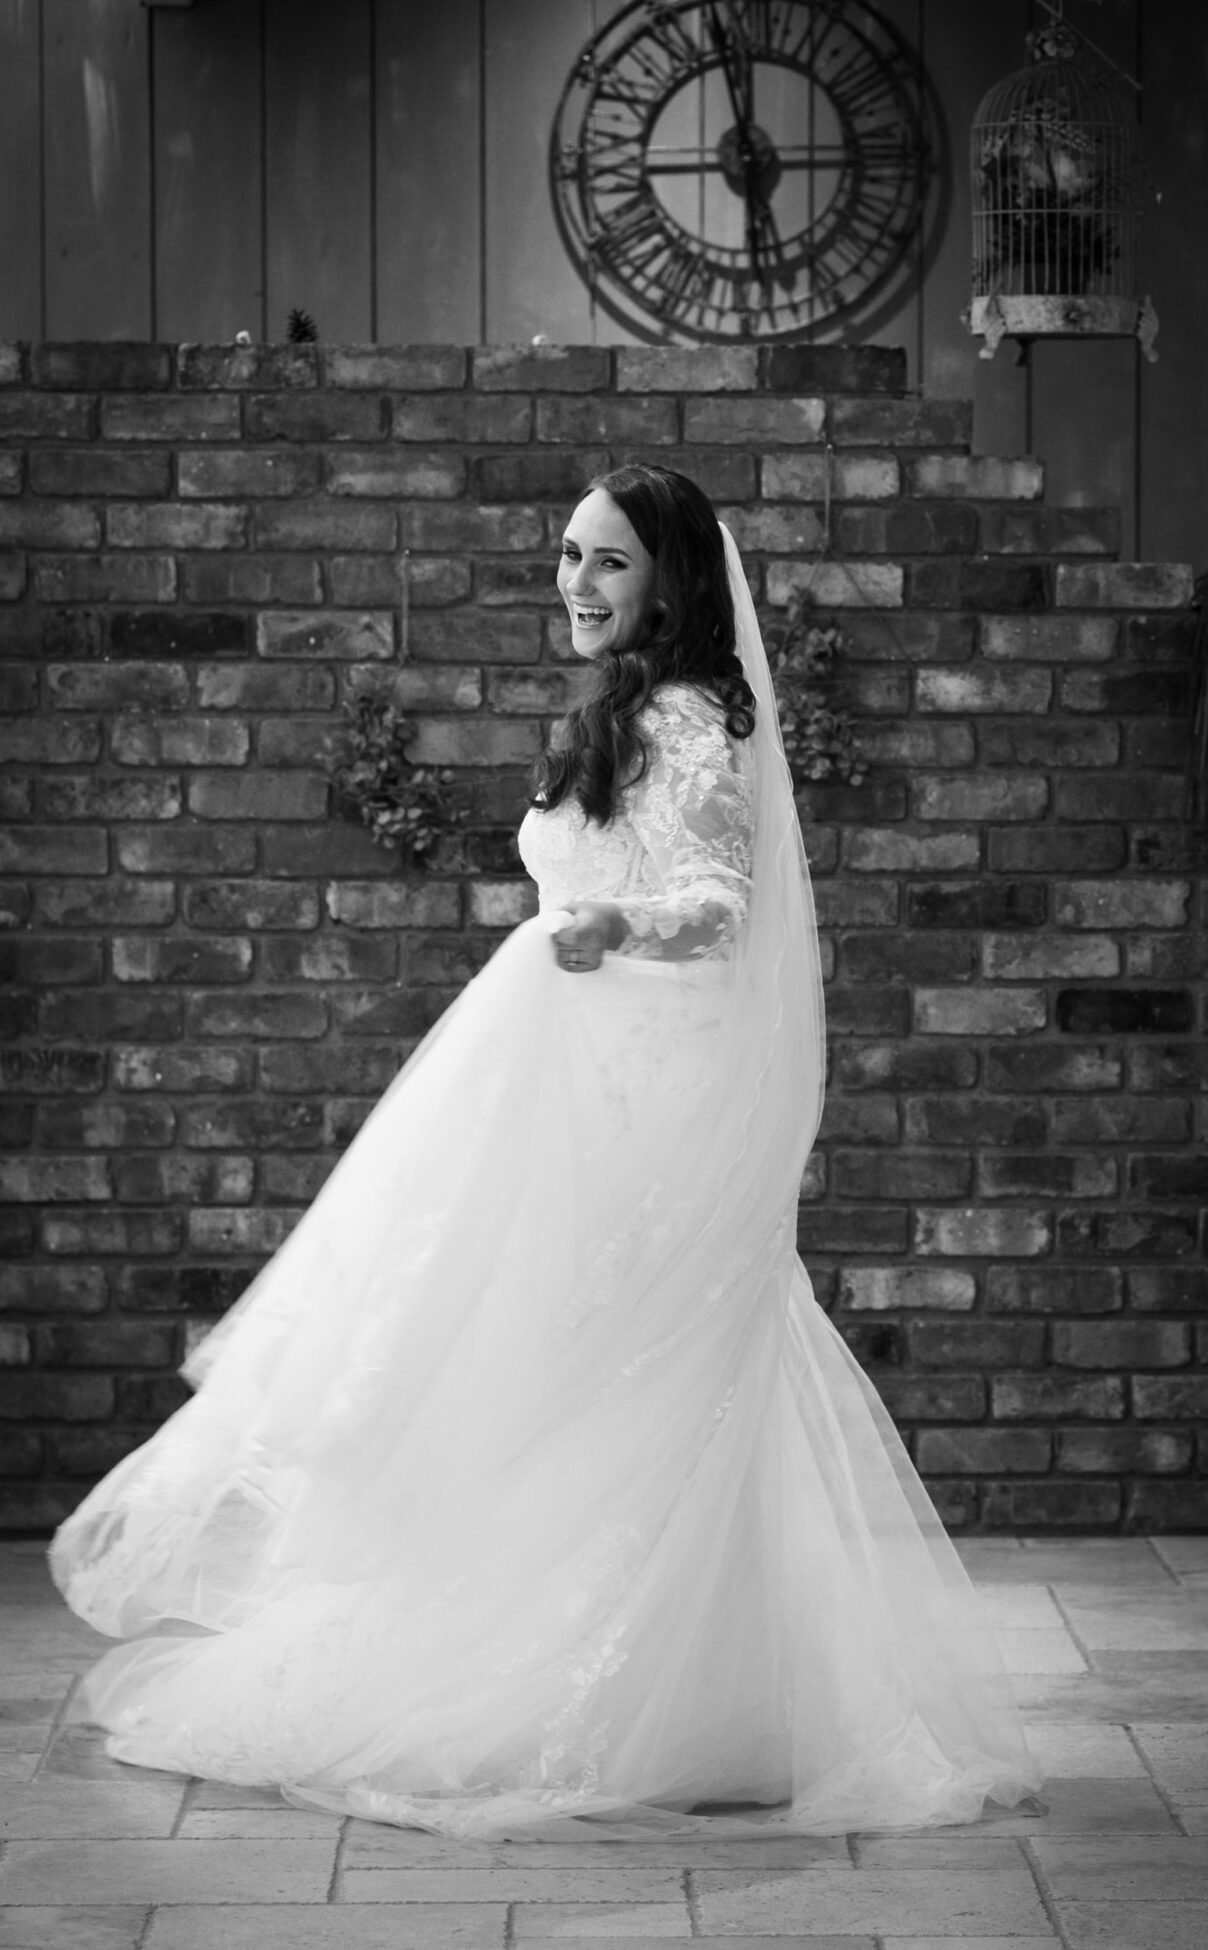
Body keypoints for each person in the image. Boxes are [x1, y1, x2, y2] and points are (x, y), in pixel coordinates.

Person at [50, 465, 1040, 1839]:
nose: (578, 583)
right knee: (560, 1367)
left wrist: (613, 930)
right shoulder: (626, 711)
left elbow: (712, 899)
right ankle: (661, 1676)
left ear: (672, 580)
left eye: (610, 562)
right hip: (581, 1082)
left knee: (630, 1364)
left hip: (638, 1098)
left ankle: (662, 1688)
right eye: (568, 557)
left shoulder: (689, 717)